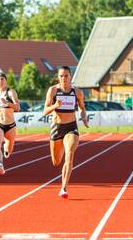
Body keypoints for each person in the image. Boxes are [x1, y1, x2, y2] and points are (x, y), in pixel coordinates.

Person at [44, 66, 89, 199]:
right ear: (58, 77)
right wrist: (55, 106)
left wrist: (84, 118)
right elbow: (45, 110)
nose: (64, 78)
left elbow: (82, 108)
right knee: (56, 161)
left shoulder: (78, 92)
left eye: (66, 76)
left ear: (71, 76)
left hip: (71, 127)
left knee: (69, 153)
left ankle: (63, 188)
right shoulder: (53, 90)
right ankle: (61, 147)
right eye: (61, 76)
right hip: (56, 127)